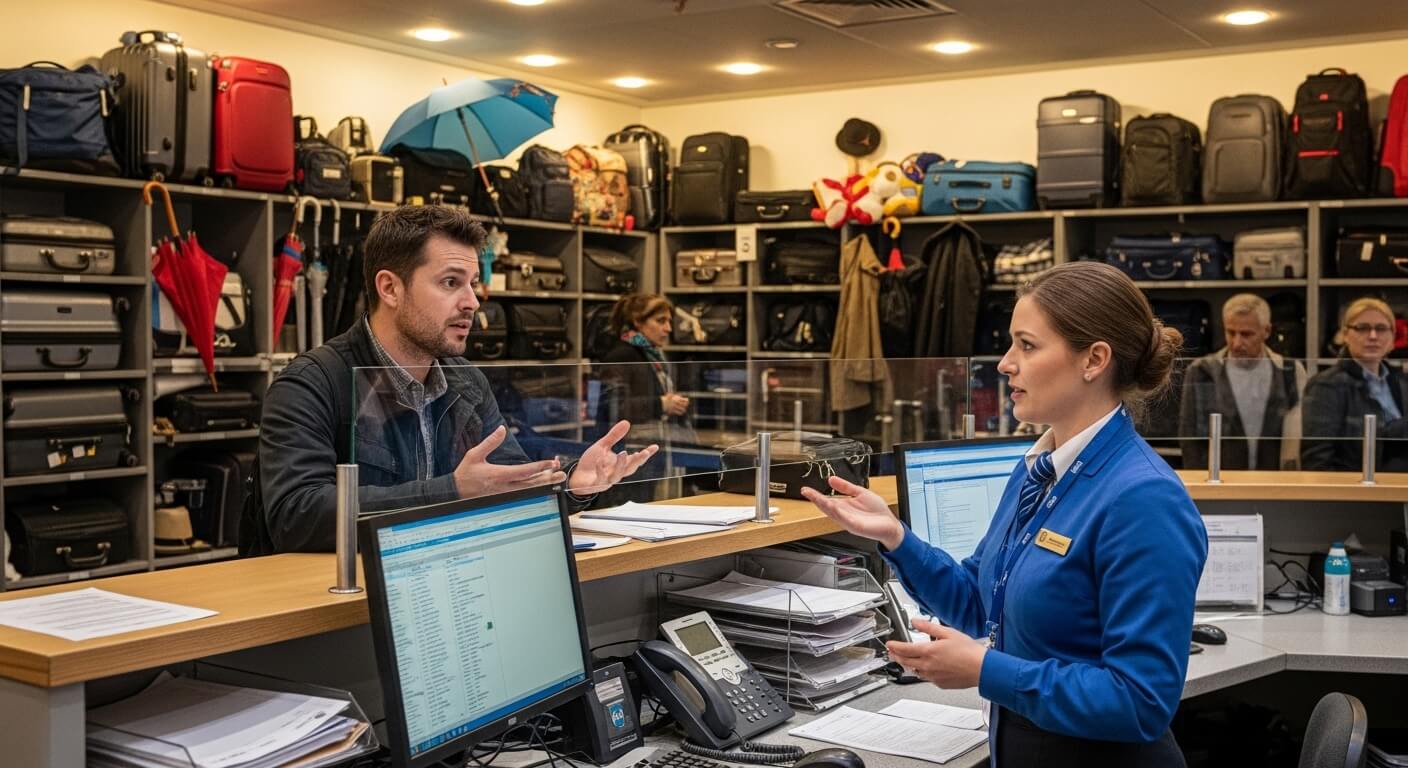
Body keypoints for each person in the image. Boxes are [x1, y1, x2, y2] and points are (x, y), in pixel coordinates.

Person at [803, 261, 1207, 767]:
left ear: (1094, 360)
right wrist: (897, 538)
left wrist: (986, 669)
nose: (1005, 363)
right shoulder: (1040, 469)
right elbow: (979, 602)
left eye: (1027, 345)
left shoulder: (1143, 498)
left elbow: (1140, 702)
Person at [252, 205, 657, 553]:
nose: (472, 302)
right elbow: (296, 515)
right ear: (390, 288)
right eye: (451, 283)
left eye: (473, 284)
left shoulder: (466, 382)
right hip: (336, 606)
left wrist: (571, 483)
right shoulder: (312, 383)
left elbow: (507, 476)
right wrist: (454, 492)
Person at [1178, 293, 1306, 470]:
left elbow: (1301, 438)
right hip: (1221, 483)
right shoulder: (1201, 371)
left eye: (1246, 334)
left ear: (1267, 331)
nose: (1237, 343)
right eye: (1231, 333)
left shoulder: (1290, 371)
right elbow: (1190, 440)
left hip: (1275, 482)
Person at [1301, 297, 1408, 471]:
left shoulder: (1402, 382)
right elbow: (1317, 461)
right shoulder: (1326, 385)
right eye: (1362, 328)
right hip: (1356, 490)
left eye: (1381, 328)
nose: (1373, 336)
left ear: (1392, 337)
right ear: (1345, 335)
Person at [596, 293, 690, 434]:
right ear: (637, 322)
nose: (668, 328)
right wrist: (661, 404)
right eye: (660, 321)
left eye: (669, 321)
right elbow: (614, 409)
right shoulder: (621, 355)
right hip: (628, 447)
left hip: (653, 440)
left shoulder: (655, 355)